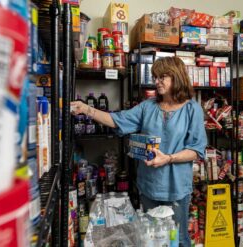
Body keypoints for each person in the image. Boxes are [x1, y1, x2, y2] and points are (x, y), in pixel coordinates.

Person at [71, 56, 207, 246]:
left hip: (177, 188)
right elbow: (117, 120)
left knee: (178, 238)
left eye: (163, 77)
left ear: (177, 77)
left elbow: (196, 150)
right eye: (155, 77)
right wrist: (87, 109)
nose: (157, 82)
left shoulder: (192, 109)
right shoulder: (148, 106)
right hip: (149, 186)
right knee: (150, 238)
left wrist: (168, 158)